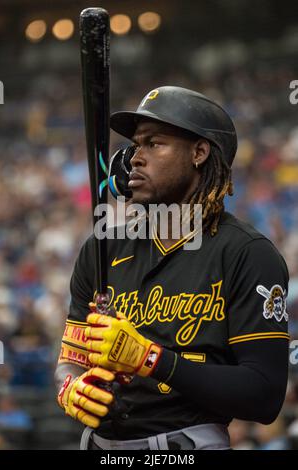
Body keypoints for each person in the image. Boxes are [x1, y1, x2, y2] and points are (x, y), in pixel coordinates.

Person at [55, 86, 289, 450]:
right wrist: (69, 387)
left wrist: (152, 359)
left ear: (198, 152)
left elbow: (264, 395)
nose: (135, 157)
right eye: (135, 144)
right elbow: (71, 358)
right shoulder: (100, 248)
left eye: (154, 143)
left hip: (186, 446)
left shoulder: (247, 253)